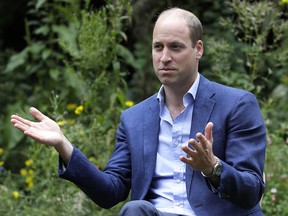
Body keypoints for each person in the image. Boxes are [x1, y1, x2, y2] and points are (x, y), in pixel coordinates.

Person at [11, 7, 266, 216]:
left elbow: (252, 191)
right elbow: (110, 192)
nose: (165, 57)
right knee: (135, 209)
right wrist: (64, 146)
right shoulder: (134, 118)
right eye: (158, 47)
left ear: (198, 49)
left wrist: (213, 168)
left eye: (175, 47)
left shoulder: (237, 105)